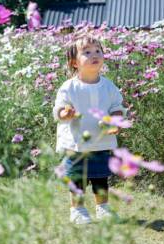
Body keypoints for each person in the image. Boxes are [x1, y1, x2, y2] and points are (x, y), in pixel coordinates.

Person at [53, 35, 127, 224]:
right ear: (74, 63)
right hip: (75, 142)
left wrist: (115, 120)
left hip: (101, 141)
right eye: (86, 52)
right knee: (78, 178)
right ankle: (77, 210)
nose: (94, 55)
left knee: (100, 176)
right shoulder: (69, 87)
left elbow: (117, 107)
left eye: (97, 51)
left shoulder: (108, 86)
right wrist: (65, 113)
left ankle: (103, 208)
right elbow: (59, 109)